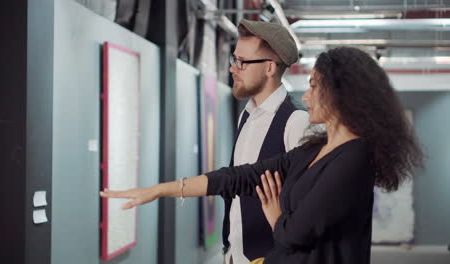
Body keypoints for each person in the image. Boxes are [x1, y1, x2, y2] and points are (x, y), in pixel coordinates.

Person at [100, 46, 423, 264]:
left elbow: (296, 234)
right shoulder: (313, 149)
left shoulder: (354, 158)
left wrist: (276, 213)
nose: (307, 95)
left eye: (314, 86)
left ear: (340, 93)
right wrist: (161, 190)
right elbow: (240, 176)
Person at [218, 19, 310, 263]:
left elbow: (305, 208)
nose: (233, 69)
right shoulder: (245, 116)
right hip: (235, 256)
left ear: (270, 68)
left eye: (242, 62)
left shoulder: (296, 121)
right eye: (233, 59)